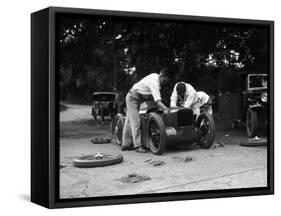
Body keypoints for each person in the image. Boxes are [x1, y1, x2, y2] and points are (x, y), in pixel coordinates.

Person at [122, 68, 170, 153]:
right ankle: (138, 146)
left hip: (134, 97)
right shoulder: (154, 82)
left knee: (129, 121)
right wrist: (166, 110)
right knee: (136, 121)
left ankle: (125, 145)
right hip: (133, 98)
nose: (165, 82)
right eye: (165, 80)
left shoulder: (155, 76)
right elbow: (158, 101)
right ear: (161, 76)